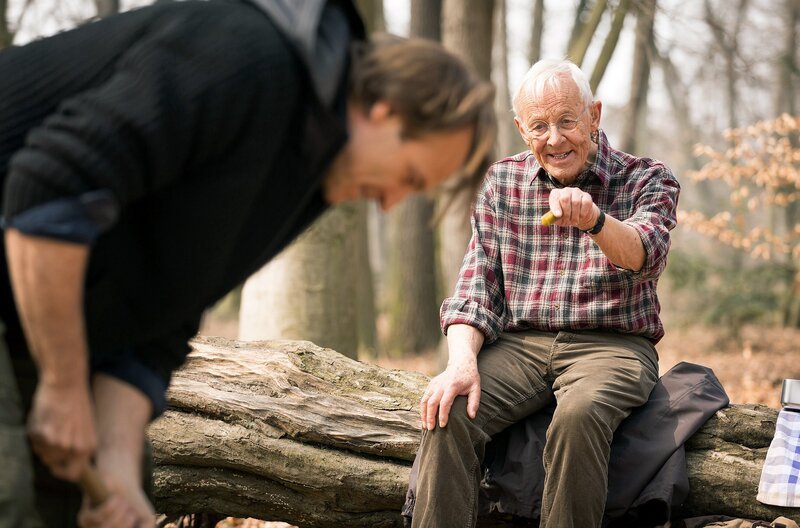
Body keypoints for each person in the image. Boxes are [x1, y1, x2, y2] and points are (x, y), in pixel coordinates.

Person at [0, 0, 496, 526]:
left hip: (44, 303)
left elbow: (164, 312)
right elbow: (46, 188)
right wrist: (62, 383)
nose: (392, 202)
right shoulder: (250, 60)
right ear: (386, 110)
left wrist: (118, 469)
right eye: (411, 176)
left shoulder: (305, 176)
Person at [411, 58, 680, 528]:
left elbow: (646, 252)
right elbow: (477, 286)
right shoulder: (503, 181)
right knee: (449, 409)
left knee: (578, 416)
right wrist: (461, 362)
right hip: (521, 346)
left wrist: (596, 221)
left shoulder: (647, 177)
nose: (554, 139)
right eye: (539, 126)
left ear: (594, 115)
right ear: (521, 129)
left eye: (567, 121)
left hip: (612, 346)